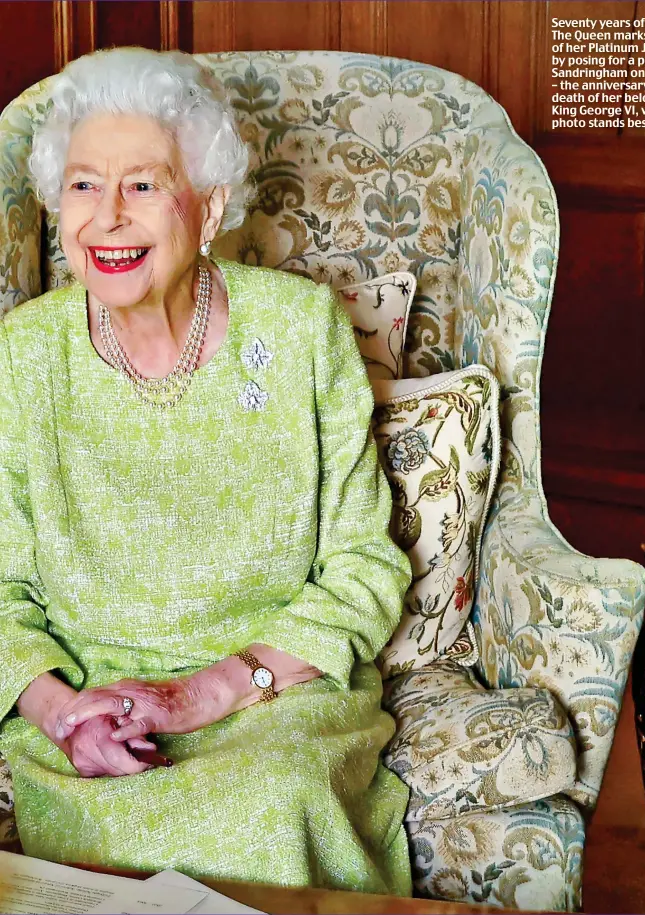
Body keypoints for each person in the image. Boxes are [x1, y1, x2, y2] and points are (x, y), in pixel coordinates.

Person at [0, 47, 413, 895]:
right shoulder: (24, 354)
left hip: (271, 699)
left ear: (211, 202)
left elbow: (365, 566)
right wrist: (63, 713)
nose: (107, 217)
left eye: (143, 185)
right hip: (91, 705)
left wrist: (207, 692)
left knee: (272, 807)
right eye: (83, 184)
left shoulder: (298, 331)